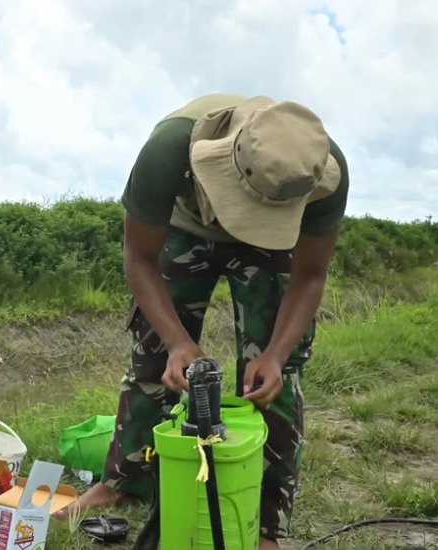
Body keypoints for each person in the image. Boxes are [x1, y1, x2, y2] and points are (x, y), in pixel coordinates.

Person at [57, 93, 349, 549]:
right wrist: (177, 341)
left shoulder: (318, 168)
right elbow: (139, 257)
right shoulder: (169, 149)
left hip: (273, 246)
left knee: (275, 375)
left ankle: (266, 523)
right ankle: (124, 481)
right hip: (185, 227)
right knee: (155, 355)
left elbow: (310, 275)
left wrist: (275, 355)